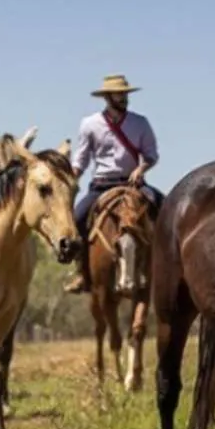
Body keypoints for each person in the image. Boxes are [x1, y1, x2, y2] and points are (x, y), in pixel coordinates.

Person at [63, 74, 164, 294]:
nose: (124, 98)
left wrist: (141, 168)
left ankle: (163, 268)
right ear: (108, 97)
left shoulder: (140, 123)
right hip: (101, 184)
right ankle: (82, 273)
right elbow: (81, 159)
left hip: (133, 183)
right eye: (119, 94)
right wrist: (71, 179)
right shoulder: (90, 124)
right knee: (77, 219)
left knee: (164, 208)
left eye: (125, 93)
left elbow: (151, 154)